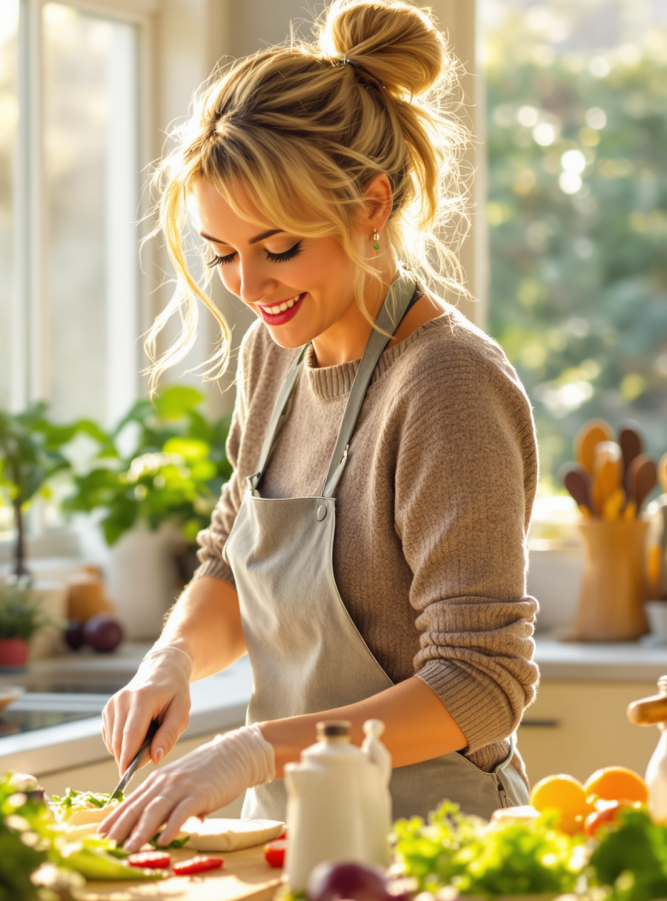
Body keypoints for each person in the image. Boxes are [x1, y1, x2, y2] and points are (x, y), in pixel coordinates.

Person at [99, 0, 540, 854]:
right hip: (295, 841)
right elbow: (232, 560)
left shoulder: (447, 385)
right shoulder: (280, 356)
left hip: (430, 850)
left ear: (372, 204)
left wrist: (254, 750)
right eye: (223, 254)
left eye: (280, 247)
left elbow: (479, 685)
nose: (250, 285)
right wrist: (174, 660)